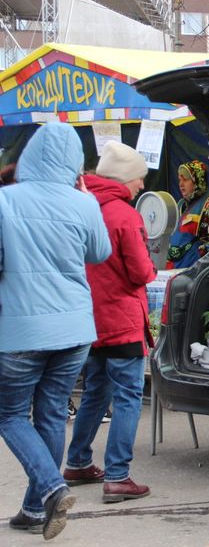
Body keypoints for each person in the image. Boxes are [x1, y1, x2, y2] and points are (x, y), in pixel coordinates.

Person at [0, 122, 111, 539]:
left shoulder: (4, 200)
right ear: (76, 163)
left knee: (10, 414)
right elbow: (100, 253)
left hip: (20, 330)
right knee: (49, 415)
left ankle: (49, 488)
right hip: (75, 330)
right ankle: (33, 509)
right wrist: (87, 202)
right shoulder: (84, 203)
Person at [64, 141, 157, 503]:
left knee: (94, 392)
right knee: (129, 397)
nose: (141, 186)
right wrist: (150, 268)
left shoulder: (81, 206)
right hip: (121, 320)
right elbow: (139, 272)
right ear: (124, 177)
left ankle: (77, 461)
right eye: (139, 178)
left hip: (88, 319)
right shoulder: (124, 214)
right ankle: (118, 475)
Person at [165, 159, 209, 269]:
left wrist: (194, 256)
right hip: (173, 268)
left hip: (194, 270)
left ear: (197, 181)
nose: (181, 184)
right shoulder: (181, 204)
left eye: (185, 180)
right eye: (179, 180)